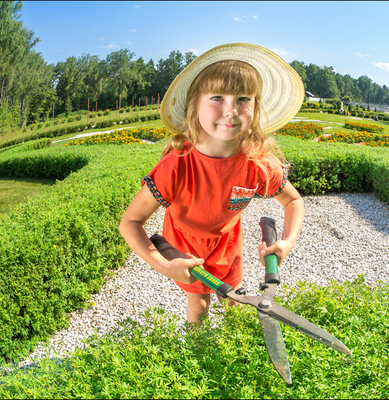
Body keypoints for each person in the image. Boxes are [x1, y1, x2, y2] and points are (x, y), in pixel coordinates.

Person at [119, 43, 305, 325]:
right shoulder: (177, 166)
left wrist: (287, 242)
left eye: (244, 98)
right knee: (199, 303)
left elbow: (293, 201)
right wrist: (165, 265)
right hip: (184, 245)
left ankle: (230, 350)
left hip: (228, 245)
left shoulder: (258, 163)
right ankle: (198, 358)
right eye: (217, 97)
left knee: (234, 300)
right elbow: (130, 221)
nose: (231, 110)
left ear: (255, 107)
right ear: (195, 105)